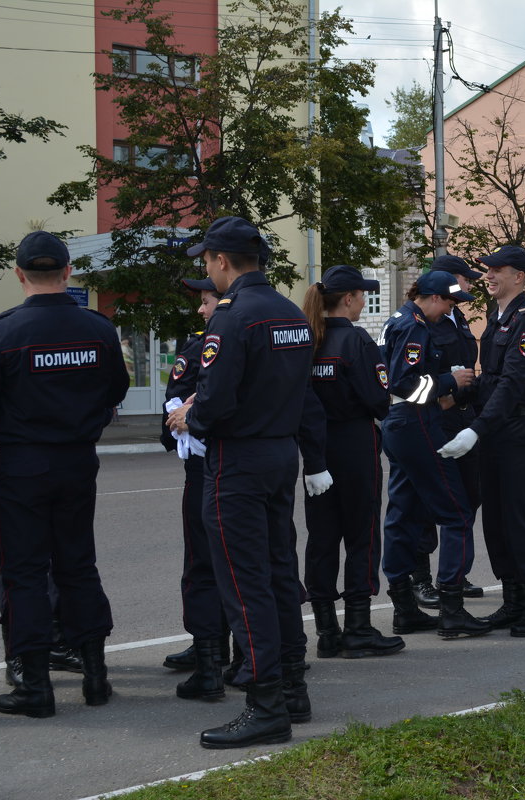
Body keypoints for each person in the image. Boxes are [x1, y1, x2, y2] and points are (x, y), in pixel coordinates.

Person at [166, 216, 324, 749]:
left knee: (242, 580)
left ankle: (265, 704)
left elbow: (218, 395)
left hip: (238, 460)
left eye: (207, 261)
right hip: (280, 453)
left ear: (222, 261)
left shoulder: (233, 318)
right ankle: (293, 686)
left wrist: (192, 416)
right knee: (279, 572)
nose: (207, 269)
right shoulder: (288, 312)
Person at [0, 230, 129, 717]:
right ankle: (96, 676)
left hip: (22, 466)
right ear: (67, 272)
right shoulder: (98, 329)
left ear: (19, 275)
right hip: (77, 462)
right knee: (78, 565)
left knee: (24, 573)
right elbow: (116, 391)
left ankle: (35, 686)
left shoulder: (0, 332)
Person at [439, 245, 525, 637]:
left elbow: (511, 384)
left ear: (519, 277)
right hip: (495, 431)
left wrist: (476, 428)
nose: (487, 275)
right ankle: (513, 600)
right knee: (496, 521)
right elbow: (490, 378)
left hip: (521, 430)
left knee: (519, 520)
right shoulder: (498, 316)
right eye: (487, 270)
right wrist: (460, 397)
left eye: (496, 270)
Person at [379, 270, 491, 639]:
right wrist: (449, 382)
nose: (450, 310)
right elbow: (405, 383)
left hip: (400, 424)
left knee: (403, 513)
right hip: (415, 423)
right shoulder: (414, 326)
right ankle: (453, 610)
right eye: (448, 302)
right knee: (457, 514)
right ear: (430, 296)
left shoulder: (399, 320)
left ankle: (405, 610)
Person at [301, 265, 404, 658]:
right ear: (348, 299)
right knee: (362, 537)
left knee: (322, 539)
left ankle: (326, 632)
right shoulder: (357, 341)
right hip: (355, 447)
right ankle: (358, 627)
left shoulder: (308, 339)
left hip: (317, 452)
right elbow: (379, 400)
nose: (364, 302)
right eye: (363, 296)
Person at [158, 276, 234, 702]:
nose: (202, 310)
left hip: (209, 468)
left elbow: (175, 416)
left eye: (206, 301)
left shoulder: (206, 347)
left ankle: (212, 656)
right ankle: (245, 651)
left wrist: (180, 423)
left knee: (204, 566)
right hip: (249, 463)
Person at [409, 254, 486, 608]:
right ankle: (421, 578)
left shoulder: (458, 319)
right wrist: (442, 399)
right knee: (426, 504)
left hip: (464, 418)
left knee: (467, 498)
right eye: (464, 279)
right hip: (436, 419)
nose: (469, 285)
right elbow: (408, 383)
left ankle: (455, 573)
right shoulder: (421, 323)